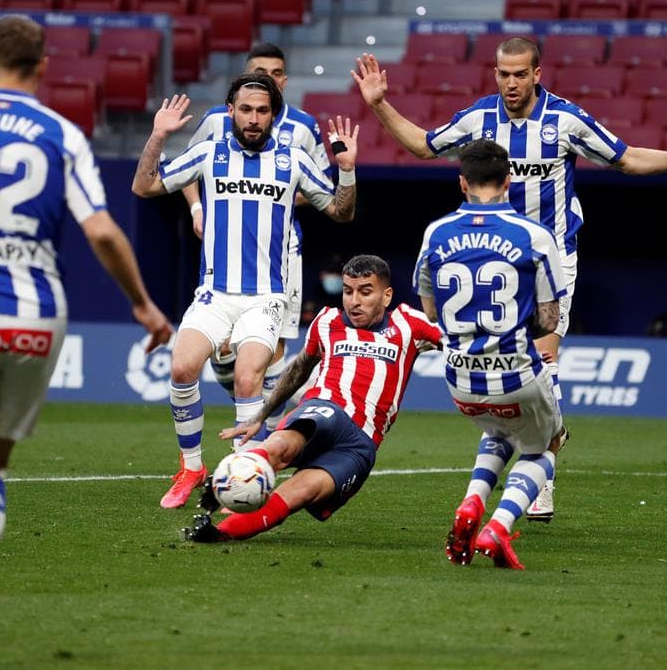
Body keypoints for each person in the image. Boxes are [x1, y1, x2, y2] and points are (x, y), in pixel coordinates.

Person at [353, 37, 667, 522]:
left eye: (519, 74)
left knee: (546, 357)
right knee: (501, 368)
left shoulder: (565, 120)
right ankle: (518, 460)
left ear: (537, 73)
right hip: (493, 259)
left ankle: (540, 482)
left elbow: (627, 158)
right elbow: (424, 146)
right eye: (502, 74)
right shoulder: (478, 120)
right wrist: (380, 104)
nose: (510, 83)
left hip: (552, 259)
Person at [0, 15, 172, 657]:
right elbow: (102, 232)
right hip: (40, 315)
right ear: (43, 65)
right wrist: (143, 306)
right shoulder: (61, 134)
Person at [131, 75, 359, 509]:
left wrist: (346, 169)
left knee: (247, 376)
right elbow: (144, 187)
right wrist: (158, 135)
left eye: (263, 111)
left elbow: (340, 212)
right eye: (246, 110)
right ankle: (192, 467)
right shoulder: (208, 153)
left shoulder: (292, 160)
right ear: (230, 111)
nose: (254, 119)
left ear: (274, 114)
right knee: (181, 368)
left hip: (265, 297)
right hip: (215, 292)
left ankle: (239, 471)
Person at [186, 254, 444, 543]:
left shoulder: (409, 323)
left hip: (360, 444)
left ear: (386, 296)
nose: (354, 300)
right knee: (283, 445)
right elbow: (299, 369)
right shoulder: (327, 321)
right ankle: (230, 477)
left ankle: (219, 533)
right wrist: (259, 417)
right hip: (325, 408)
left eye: (365, 291)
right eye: (348, 291)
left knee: (302, 492)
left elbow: (458, 343)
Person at [414, 139, 568, 569]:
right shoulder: (534, 236)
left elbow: (430, 309)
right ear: (509, 181)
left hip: (459, 379)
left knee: (500, 432)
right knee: (547, 443)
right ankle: (498, 527)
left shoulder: (436, 231)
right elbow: (550, 318)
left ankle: (470, 505)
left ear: (462, 182)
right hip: (515, 372)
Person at [184, 43, 332, 431]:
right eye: (260, 70)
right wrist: (198, 208)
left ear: (284, 80)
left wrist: (273, 196)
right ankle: (261, 417)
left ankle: (267, 434)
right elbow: (187, 167)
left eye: (276, 72)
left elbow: (322, 185)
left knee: (274, 344)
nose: (269, 77)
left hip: (282, 249)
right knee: (223, 352)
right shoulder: (218, 119)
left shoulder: (303, 126)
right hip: (225, 249)